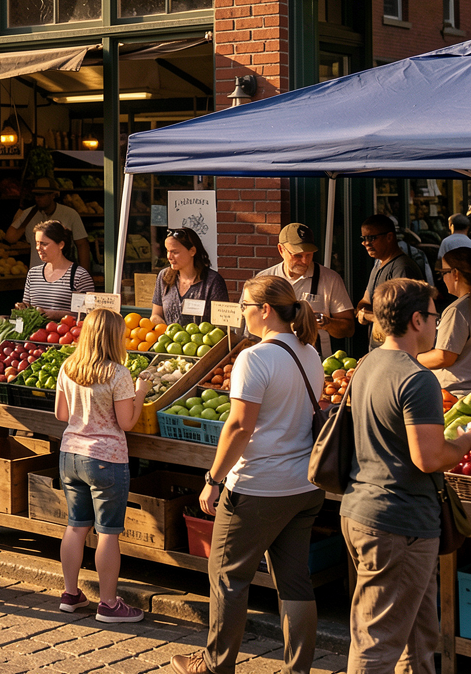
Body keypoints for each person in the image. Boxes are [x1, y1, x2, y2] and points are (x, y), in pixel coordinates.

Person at [169, 276, 326, 674]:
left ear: (265, 310)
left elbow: (239, 426)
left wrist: (213, 478)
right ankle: (299, 668)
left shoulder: (254, 358)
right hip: (304, 485)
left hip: (258, 485)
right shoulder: (310, 353)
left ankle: (214, 665)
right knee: (294, 580)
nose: (241, 310)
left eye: (244, 304)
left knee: (227, 576)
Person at [340, 277, 471, 674]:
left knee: (418, 634)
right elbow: (429, 457)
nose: (436, 323)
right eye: (434, 315)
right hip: (398, 521)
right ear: (417, 320)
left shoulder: (368, 363)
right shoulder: (417, 378)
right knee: (378, 643)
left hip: (366, 509)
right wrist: (466, 441)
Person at [51, 304, 149, 624]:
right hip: (106, 458)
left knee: (76, 526)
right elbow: (128, 422)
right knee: (108, 532)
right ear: (114, 338)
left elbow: (61, 415)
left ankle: (70, 593)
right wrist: (140, 393)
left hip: (70, 454)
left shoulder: (68, 366)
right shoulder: (119, 374)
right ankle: (108, 604)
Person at [254, 222, 357, 357]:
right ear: (281, 250)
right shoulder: (263, 280)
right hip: (272, 357)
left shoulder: (330, 279)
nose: (304, 261)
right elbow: (248, 326)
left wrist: (327, 323)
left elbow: (349, 329)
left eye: (309, 255)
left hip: (316, 360)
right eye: (297, 255)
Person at [358, 213, 427, 357]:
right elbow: (365, 300)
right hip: (380, 351)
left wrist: (368, 316)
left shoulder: (403, 268)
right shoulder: (378, 265)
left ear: (390, 237)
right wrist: (361, 310)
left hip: (398, 353)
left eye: (371, 238)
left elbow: (403, 317)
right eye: (363, 239)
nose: (366, 243)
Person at [6, 178, 90, 270]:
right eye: (36, 195)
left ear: (53, 195)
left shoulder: (69, 214)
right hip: (38, 272)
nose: (38, 198)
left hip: (64, 272)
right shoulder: (28, 213)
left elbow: (82, 244)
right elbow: (10, 238)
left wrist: (85, 274)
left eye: (42, 195)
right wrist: (27, 219)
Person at [150, 227, 228, 324]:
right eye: (167, 251)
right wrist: (163, 327)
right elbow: (155, 314)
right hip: (168, 338)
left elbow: (221, 324)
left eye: (175, 252)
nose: (169, 257)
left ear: (192, 251)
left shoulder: (212, 281)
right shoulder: (164, 276)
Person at [23, 220, 97, 319]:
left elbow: (87, 314)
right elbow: (27, 306)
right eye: (37, 243)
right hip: (36, 334)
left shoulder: (79, 276)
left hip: (65, 333)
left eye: (44, 244)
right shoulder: (33, 274)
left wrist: (56, 315)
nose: (38, 248)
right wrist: (22, 307)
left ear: (61, 245)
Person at [424, 247, 471, 395]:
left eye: (443, 273)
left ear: (455, 274)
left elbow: (444, 357)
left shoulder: (458, 310)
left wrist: (409, 357)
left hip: (456, 394)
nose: (443, 279)